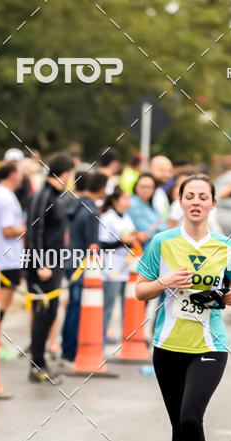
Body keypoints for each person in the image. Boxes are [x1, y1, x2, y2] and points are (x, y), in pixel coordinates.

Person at [135, 175, 231, 441]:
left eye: (203, 196)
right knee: (177, 426)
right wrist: (164, 283)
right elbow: (140, 291)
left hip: (210, 346)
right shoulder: (162, 242)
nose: (196, 201)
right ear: (180, 202)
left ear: (213, 204)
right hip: (168, 346)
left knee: (190, 418)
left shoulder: (225, 247)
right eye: (190, 196)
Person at [24, 152, 74, 383]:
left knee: (50, 312)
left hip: (54, 262)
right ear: (64, 173)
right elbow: (35, 230)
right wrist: (40, 262)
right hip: (43, 264)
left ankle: (40, 362)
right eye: (70, 174)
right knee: (43, 314)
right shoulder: (43, 195)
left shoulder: (55, 195)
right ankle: (37, 366)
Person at [59, 171, 107, 367]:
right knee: (78, 308)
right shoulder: (92, 211)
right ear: (102, 188)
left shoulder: (75, 204)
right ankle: (71, 353)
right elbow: (94, 246)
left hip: (70, 261)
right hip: (82, 266)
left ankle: (66, 350)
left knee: (73, 306)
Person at [0, 161, 26, 336]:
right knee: (2, 302)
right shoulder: (7, 197)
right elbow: (8, 230)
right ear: (13, 174)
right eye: (20, 172)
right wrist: (26, 228)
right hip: (7, 258)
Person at [98, 188, 140, 343]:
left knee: (127, 306)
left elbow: (130, 237)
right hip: (111, 268)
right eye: (124, 198)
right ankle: (100, 339)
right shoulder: (107, 218)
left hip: (126, 268)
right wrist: (123, 241)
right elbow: (102, 244)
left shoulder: (127, 218)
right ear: (115, 201)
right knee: (108, 304)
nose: (128, 202)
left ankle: (127, 340)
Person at [129, 173, 168, 246]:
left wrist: (155, 226)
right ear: (136, 187)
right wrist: (158, 225)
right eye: (142, 186)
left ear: (154, 189)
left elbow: (166, 226)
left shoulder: (151, 205)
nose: (145, 190)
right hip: (142, 250)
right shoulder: (132, 204)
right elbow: (145, 232)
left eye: (149, 187)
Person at [149, 155, 173, 224]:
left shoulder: (160, 190)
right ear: (150, 169)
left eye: (169, 171)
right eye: (162, 170)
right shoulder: (144, 193)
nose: (167, 174)